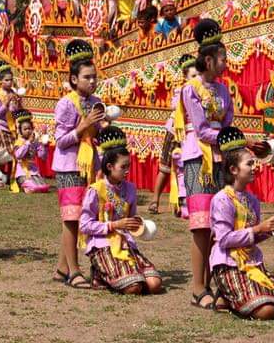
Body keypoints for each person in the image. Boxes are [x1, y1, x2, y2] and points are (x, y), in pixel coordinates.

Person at [177, 19, 235, 310]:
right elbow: (201, 129)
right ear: (209, 59)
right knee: (201, 225)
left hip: (221, 158)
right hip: (198, 158)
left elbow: (228, 122)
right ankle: (198, 287)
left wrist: (234, 141)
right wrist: (229, 137)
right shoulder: (190, 89)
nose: (226, 63)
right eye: (223, 58)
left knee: (220, 222)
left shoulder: (224, 91)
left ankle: (217, 282)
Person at [210, 126, 274, 319]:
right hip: (229, 264)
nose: (254, 167)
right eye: (249, 164)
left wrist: (272, 229)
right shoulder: (222, 199)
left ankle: (233, 297)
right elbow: (223, 240)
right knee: (267, 311)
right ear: (234, 170)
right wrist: (259, 228)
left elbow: (253, 237)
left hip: (251, 260)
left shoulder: (252, 200)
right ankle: (227, 296)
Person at [79, 126, 163, 294]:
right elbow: (84, 225)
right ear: (110, 166)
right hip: (103, 244)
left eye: (128, 166)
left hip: (125, 243)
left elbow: (130, 218)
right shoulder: (96, 190)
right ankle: (100, 272)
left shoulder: (130, 189)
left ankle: (111, 275)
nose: (127, 171)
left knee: (154, 284)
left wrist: (137, 225)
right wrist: (113, 225)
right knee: (133, 288)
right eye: (123, 167)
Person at [51, 39, 104, 290]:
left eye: (94, 77)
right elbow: (61, 141)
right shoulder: (65, 103)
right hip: (69, 165)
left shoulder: (95, 101)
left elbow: (96, 135)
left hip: (90, 165)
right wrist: (82, 126)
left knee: (82, 215)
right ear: (74, 79)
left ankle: (63, 267)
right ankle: (74, 271)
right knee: (71, 220)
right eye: (87, 77)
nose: (92, 82)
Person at [149, 53, 197, 216]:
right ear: (185, 76)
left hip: (192, 133)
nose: (196, 78)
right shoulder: (181, 91)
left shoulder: (201, 90)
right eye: (193, 75)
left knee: (189, 168)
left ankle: (184, 204)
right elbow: (178, 108)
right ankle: (155, 201)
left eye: (198, 75)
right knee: (165, 167)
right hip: (175, 131)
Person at [0, 60, 22, 179]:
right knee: (1, 153)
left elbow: (16, 111)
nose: (9, 82)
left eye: (11, 80)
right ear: (0, 80)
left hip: (11, 126)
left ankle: (10, 176)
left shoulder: (13, 93)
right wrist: (7, 102)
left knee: (12, 151)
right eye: (6, 80)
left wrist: (17, 103)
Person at [13, 110, 49, 194]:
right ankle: (26, 186)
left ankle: (31, 186)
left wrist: (44, 143)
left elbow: (42, 156)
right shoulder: (18, 142)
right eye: (25, 129)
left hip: (33, 171)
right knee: (32, 187)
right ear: (20, 131)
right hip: (21, 172)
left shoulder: (35, 142)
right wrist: (28, 142)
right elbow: (18, 155)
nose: (28, 131)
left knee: (43, 187)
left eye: (29, 128)